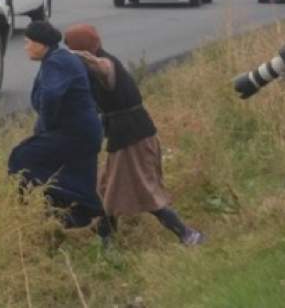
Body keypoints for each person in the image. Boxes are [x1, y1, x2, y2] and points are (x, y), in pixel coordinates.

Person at [64, 24, 205, 246]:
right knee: (106, 187)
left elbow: (102, 68)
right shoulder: (98, 63)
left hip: (133, 136)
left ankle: (187, 234)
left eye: (69, 47)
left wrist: (76, 56)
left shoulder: (105, 63)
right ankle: (107, 242)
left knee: (143, 192)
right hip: (126, 134)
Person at [8, 20, 108, 236]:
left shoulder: (56, 62)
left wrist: (47, 127)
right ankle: (77, 225)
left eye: (28, 42)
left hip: (75, 134)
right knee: (73, 179)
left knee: (21, 158)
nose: (25, 47)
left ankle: (21, 215)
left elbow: (52, 95)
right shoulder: (59, 58)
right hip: (83, 133)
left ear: (41, 44)